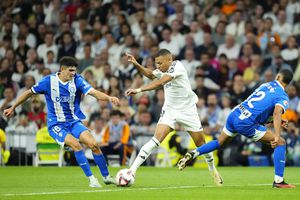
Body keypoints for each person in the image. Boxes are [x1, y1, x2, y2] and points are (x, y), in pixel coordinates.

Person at [3, 56, 120, 188]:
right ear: (62, 69)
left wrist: (109, 98)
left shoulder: (77, 80)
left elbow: (94, 92)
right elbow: (28, 93)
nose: (73, 73)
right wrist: (12, 107)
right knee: (76, 145)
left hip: (73, 121)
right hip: (56, 125)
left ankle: (106, 177)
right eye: (70, 70)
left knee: (94, 144)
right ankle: (92, 179)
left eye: (74, 70)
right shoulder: (48, 81)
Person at [177, 69, 295, 188]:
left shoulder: (266, 84)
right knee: (280, 142)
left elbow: (258, 108)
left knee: (220, 142)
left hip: (235, 113)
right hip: (246, 122)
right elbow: (277, 113)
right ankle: (279, 181)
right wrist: (277, 135)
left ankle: (194, 153)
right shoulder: (282, 95)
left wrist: (275, 120)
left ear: (278, 76)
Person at [124, 49, 223, 186]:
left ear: (169, 60)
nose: (158, 66)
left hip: (188, 110)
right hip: (170, 110)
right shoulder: (163, 71)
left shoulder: (178, 66)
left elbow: (160, 83)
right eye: (156, 63)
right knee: (156, 138)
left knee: (201, 143)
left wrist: (139, 90)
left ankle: (213, 171)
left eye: (160, 63)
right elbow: (151, 74)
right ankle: (131, 171)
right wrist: (136, 63)